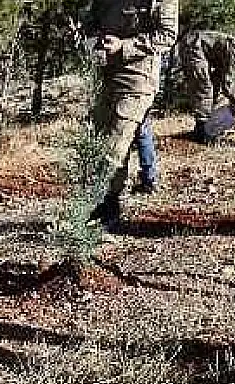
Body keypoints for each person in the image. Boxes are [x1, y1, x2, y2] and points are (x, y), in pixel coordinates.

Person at [84, 0, 179, 230]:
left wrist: (125, 46)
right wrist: (94, 40)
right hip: (106, 75)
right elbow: (91, 21)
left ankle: (105, 208)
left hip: (138, 79)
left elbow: (166, 35)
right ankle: (105, 205)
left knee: (114, 145)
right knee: (100, 140)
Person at [178, 30, 235, 143]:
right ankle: (201, 131)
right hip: (193, 46)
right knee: (204, 88)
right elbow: (227, 84)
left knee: (214, 86)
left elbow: (220, 79)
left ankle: (208, 125)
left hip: (196, 46)